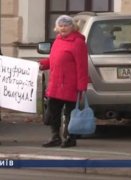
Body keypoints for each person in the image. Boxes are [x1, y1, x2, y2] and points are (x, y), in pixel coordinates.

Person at [39, 15, 88, 148]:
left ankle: (70, 138)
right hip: (55, 84)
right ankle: (55, 137)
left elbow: (82, 65)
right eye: (61, 25)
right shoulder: (58, 40)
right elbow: (53, 60)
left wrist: (82, 86)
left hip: (70, 85)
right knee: (53, 112)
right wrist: (41, 65)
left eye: (66, 25)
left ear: (73, 27)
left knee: (70, 113)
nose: (63, 28)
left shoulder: (78, 42)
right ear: (56, 27)